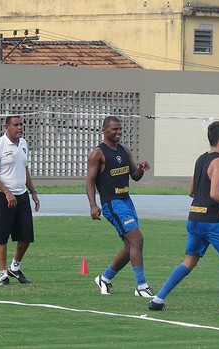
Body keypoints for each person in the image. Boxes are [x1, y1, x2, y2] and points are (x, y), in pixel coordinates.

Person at [148, 121, 219, 317]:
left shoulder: (200, 159)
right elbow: (214, 193)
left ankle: (157, 300)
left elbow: (192, 191)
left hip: (194, 217)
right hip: (211, 221)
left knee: (189, 262)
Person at [86, 116, 155, 298]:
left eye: (119, 129)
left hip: (126, 201)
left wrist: (141, 168)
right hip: (112, 203)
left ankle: (105, 278)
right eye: (114, 129)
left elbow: (135, 175)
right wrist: (93, 205)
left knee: (130, 246)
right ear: (104, 130)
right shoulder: (98, 154)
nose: (118, 132)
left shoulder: (124, 150)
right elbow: (90, 181)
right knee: (137, 239)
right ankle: (141, 286)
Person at [0, 115, 40, 286]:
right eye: (15, 125)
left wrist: (33, 192)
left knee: (26, 236)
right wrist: (7, 192)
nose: (19, 128)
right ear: (6, 127)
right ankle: (3, 274)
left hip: (22, 195)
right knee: (2, 237)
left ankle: (15, 267)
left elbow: (24, 169)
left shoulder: (23, 144)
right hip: (3, 197)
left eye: (21, 124)